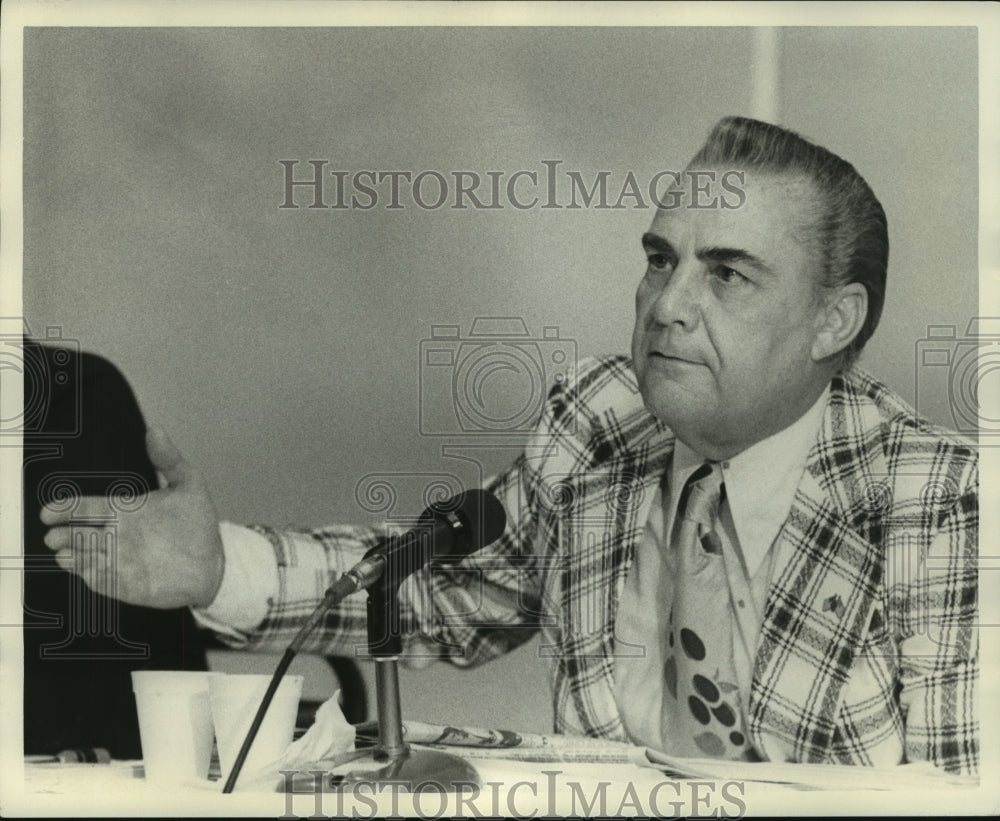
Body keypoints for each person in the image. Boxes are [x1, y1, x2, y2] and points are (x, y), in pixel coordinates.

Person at [40, 117, 978, 775]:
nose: (669, 303)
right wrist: (217, 569)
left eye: (728, 273)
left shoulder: (943, 499)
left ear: (833, 320)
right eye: (661, 258)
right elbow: (444, 590)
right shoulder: (601, 417)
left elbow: (962, 799)